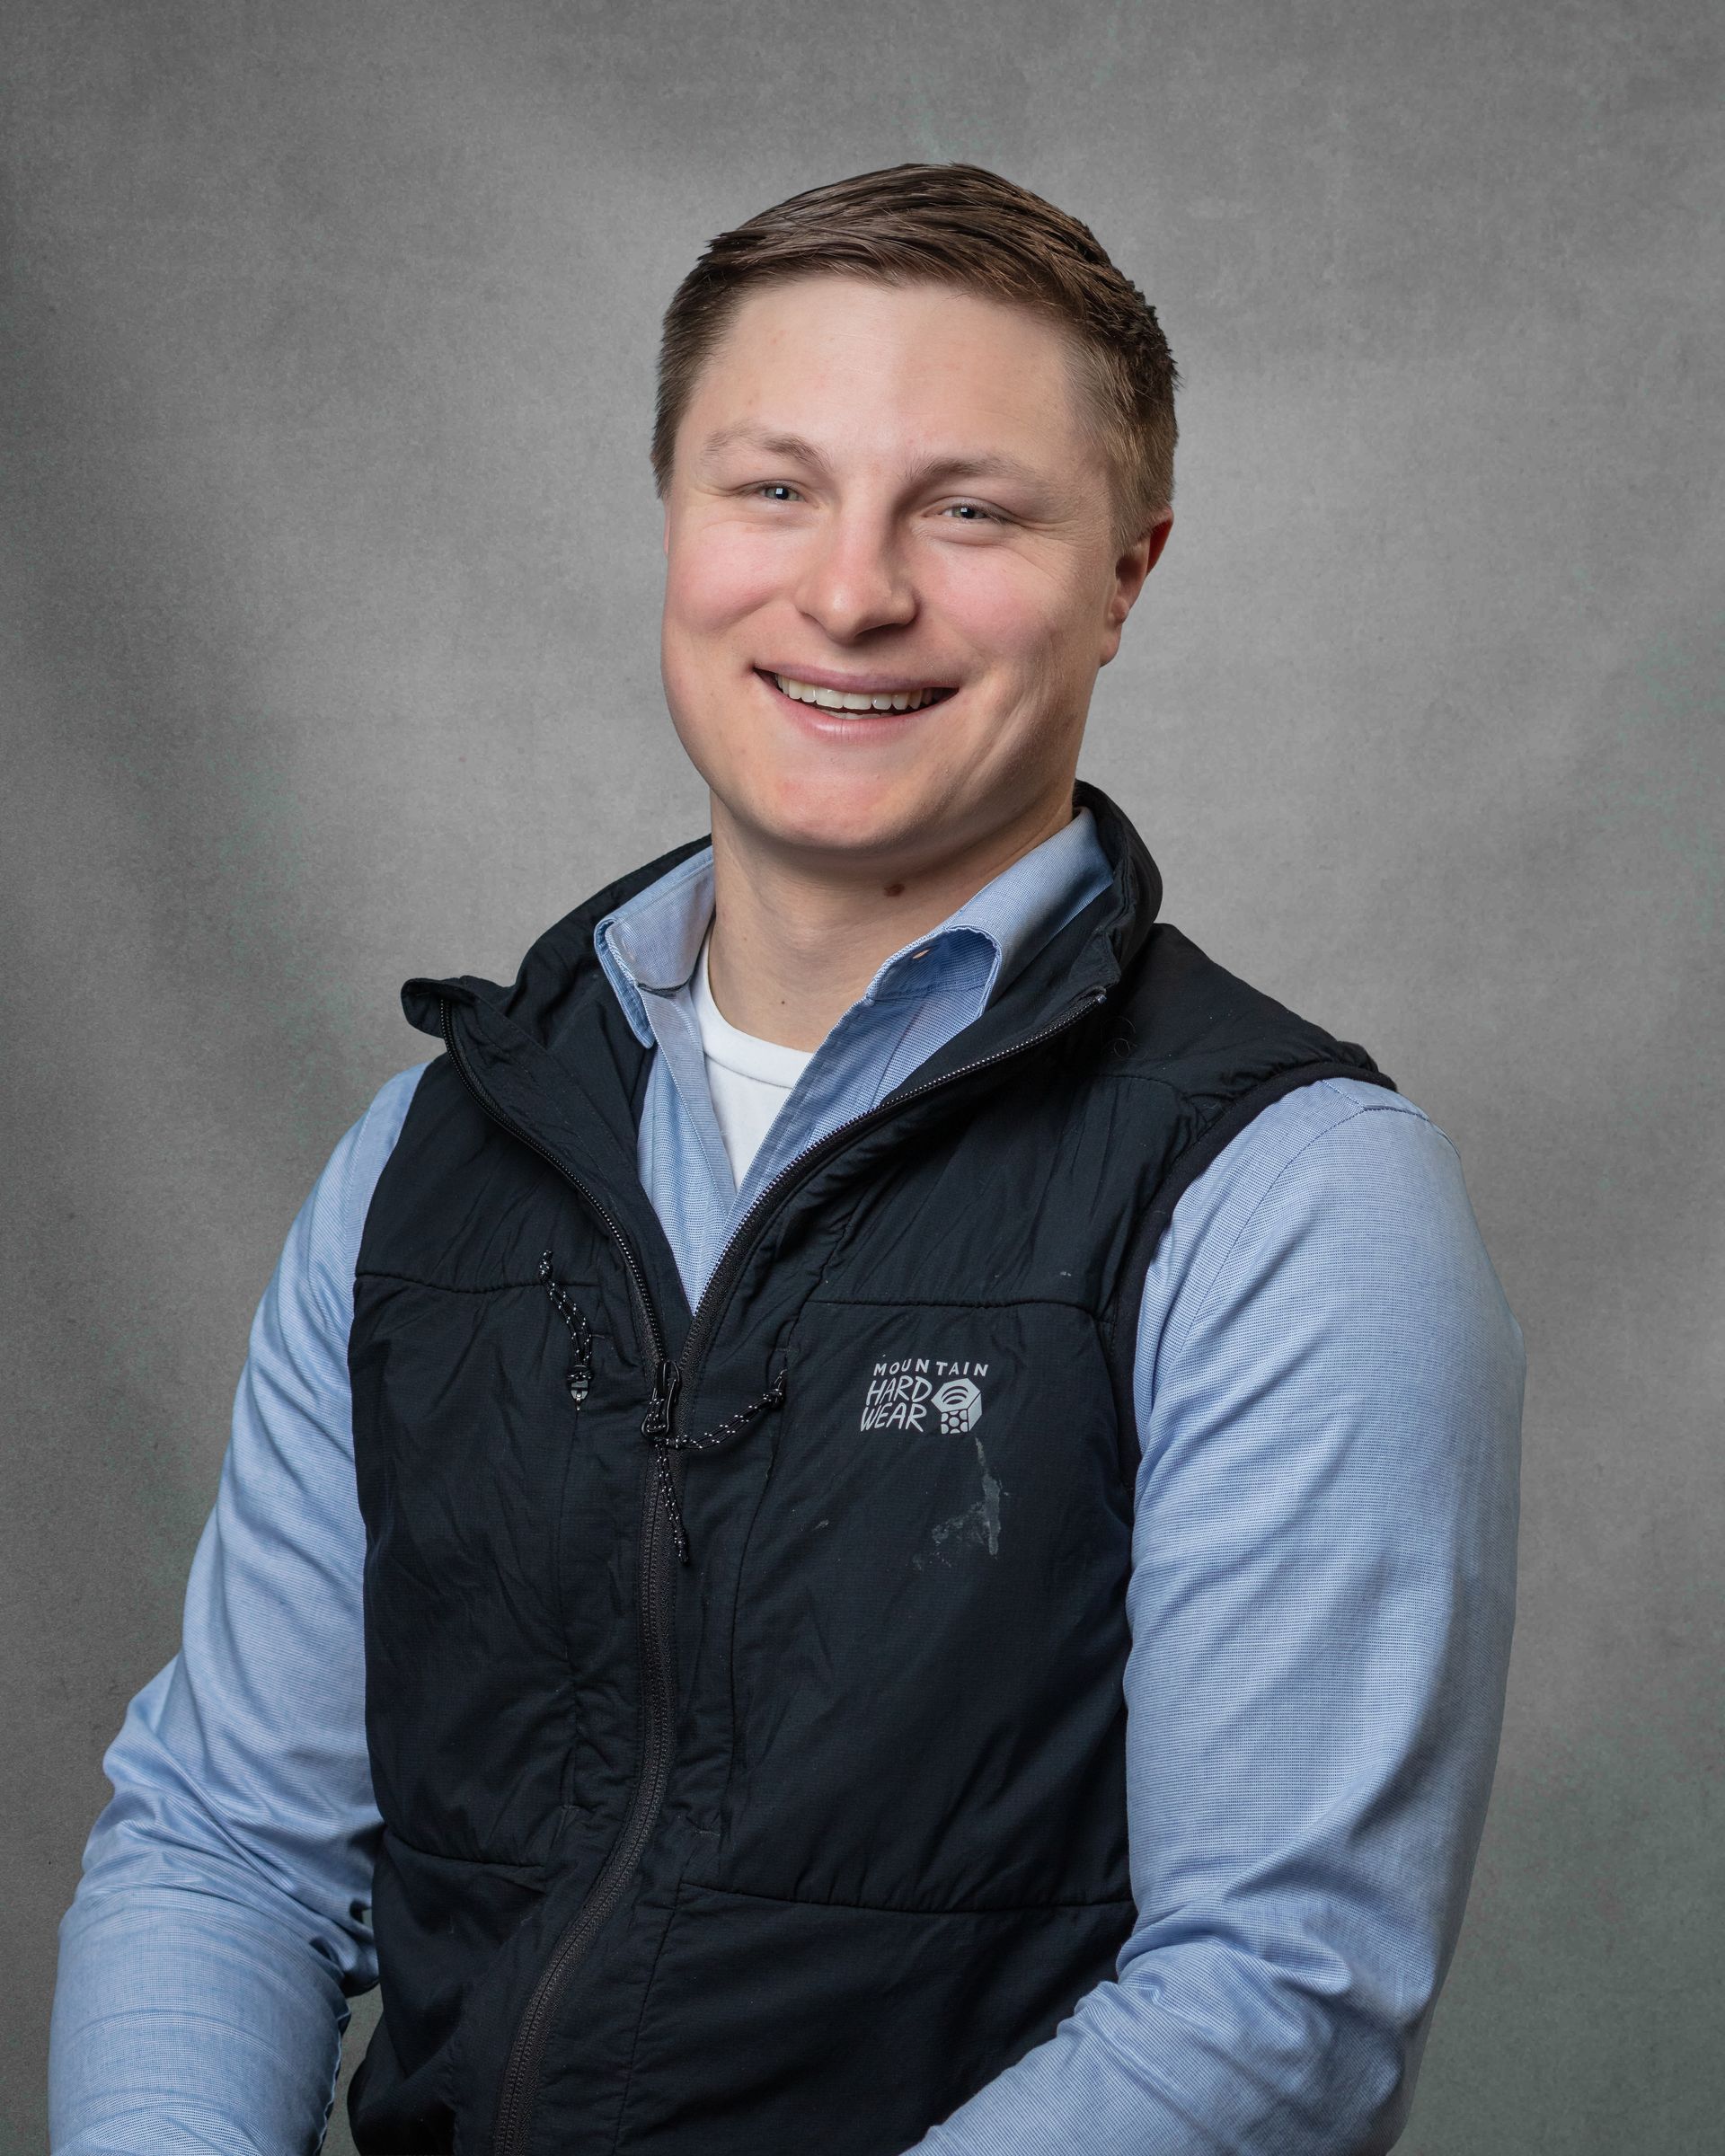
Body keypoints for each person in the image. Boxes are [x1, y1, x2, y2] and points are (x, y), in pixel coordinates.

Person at [49, 163, 1523, 2156]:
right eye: (774, 487)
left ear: (1127, 574)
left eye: (970, 509)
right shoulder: (426, 1160)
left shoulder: (1290, 1198)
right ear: (673, 516)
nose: (850, 593)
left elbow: (1279, 2002)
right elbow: (225, 1845)